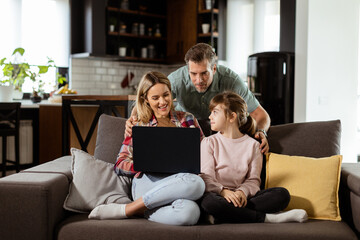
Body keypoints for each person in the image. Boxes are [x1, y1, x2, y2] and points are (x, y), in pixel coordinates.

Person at [88, 71, 206, 226]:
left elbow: (205, 153)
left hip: (179, 184)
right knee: (196, 183)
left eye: (166, 95)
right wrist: (145, 163)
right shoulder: (139, 124)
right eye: (155, 98)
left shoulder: (188, 119)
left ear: (171, 93)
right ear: (146, 100)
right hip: (147, 183)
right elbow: (120, 163)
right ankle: (129, 209)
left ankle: (136, 209)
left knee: (190, 213)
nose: (162, 102)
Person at [126, 43, 270, 153]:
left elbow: (260, 115)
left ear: (214, 69)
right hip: (186, 129)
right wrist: (132, 121)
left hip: (219, 130)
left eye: (204, 73)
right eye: (193, 74)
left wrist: (261, 132)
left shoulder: (231, 80)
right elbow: (149, 100)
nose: (198, 80)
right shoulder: (177, 79)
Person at [199, 91, 307, 224]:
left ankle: (223, 214)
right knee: (209, 202)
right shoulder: (209, 142)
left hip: (243, 198)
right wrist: (223, 192)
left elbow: (253, 180)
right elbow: (206, 178)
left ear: (232, 116)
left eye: (215, 112)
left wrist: (242, 192)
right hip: (218, 195)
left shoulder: (253, 146)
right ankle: (265, 218)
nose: (210, 117)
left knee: (282, 194)